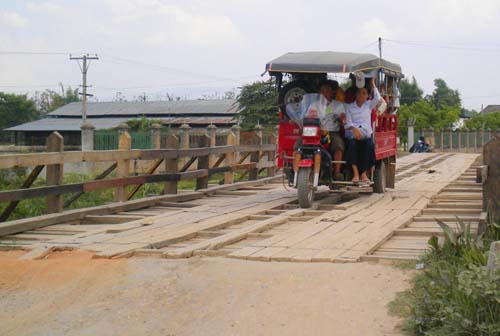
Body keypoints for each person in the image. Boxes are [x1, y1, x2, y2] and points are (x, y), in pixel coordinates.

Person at [345, 74, 384, 184]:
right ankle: (356, 173)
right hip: (353, 135)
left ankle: (364, 174)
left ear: (367, 95)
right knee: (352, 146)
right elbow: (348, 123)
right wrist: (354, 129)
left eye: (364, 93)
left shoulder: (368, 105)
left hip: (366, 135)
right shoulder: (349, 107)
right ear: (356, 95)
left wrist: (372, 84)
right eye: (359, 93)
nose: (361, 95)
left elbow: (377, 98)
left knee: (368, 146)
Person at [319, 80, 346, 180]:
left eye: (327, 91)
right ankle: (296, 170)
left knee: (338, 145)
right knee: (298, 146)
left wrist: (342, 119)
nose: (325, 93)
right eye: (322, 91)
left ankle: (337, 172)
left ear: (331, 93)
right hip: (316, 132)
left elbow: (343, 115)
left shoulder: (338, 105)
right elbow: (307, 114)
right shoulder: (314, 104)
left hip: (332, 131)